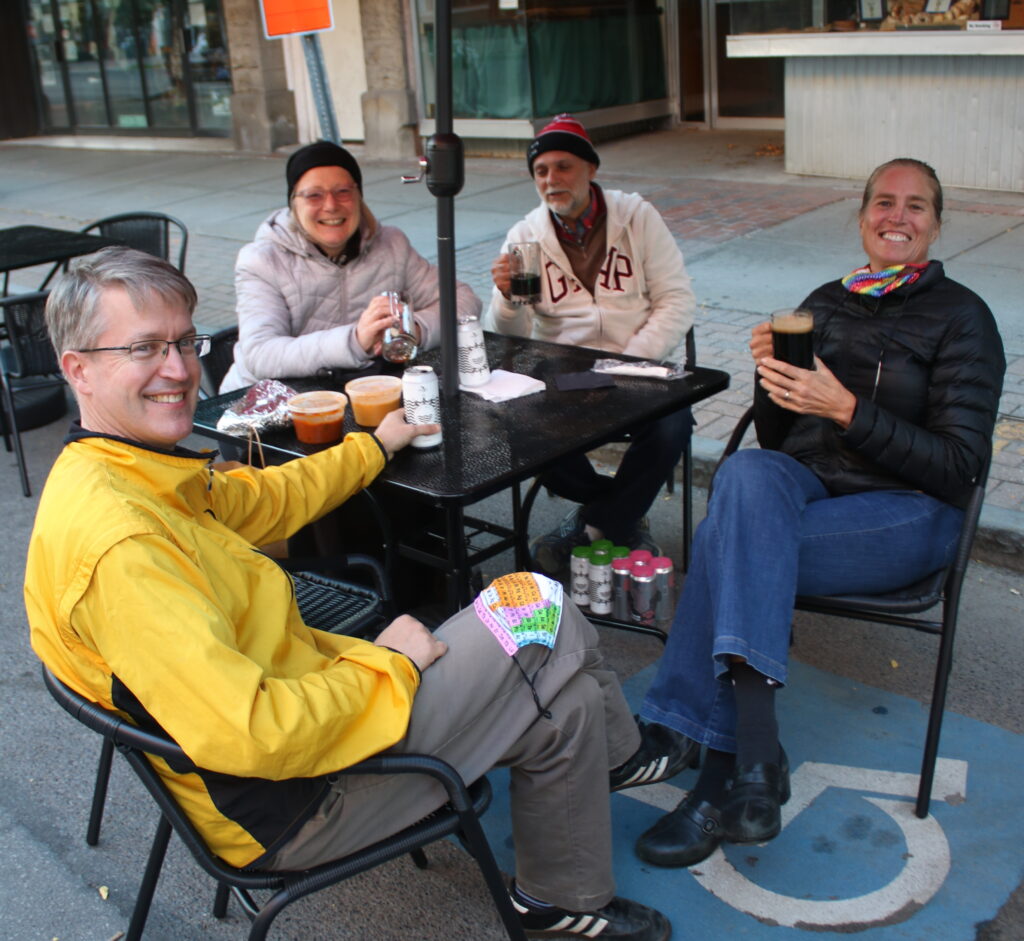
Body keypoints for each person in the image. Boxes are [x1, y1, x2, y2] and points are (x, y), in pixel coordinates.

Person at [26, 247, 693, 940]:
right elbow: (257, 734)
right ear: (78, 368)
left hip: (311, 714)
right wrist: (391, 665)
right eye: (143, 348)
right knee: (538, 602)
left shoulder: (124, 472)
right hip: (300, 800)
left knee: (568, 700)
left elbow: (268, 498)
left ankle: (555, 899)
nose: (177, 368)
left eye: (183, 342)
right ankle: (625, 755)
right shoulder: (126, 546)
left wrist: (375, 446)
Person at [632, 158, 1005, 868]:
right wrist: (772, 382)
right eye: (884, 202)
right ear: (862, 216)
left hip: (910, 511)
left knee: (727, 542)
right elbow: (780, 443)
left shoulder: (964, 319)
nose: (897, 216)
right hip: (810, 491)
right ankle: (755, 758)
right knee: (746, 474)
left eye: (916, 205)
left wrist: (848, 411)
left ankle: (710, 761)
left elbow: (960, 466)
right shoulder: (824, 305)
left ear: (936, 224)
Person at [484, 115, 697, 572]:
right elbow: (506, 338)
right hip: (564, 375)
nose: (551, 180)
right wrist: (506, 298)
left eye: (563, 167)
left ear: (591, 169)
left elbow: (677, 300)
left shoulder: (637, 218)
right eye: (541, 171)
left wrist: (628, 361)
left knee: (674, 421)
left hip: (636, 367)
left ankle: (594, 525)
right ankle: (620, 514)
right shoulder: (525, 236)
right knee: (513, 424)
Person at [221, 140, 481, 392]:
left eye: (343, 191)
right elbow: (260, 354)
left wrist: (414, 329)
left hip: (360, 391)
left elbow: (464, 301)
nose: (331, 205)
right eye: (314, 195)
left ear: (359, 196)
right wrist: (355, 340)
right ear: (293, 204)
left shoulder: (391, 245)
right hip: (264, 403)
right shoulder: (261, 260)